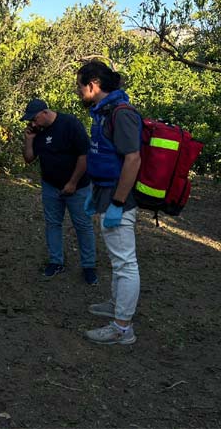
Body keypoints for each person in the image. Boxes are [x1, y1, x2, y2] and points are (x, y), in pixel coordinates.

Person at [76, 60, 142, 345]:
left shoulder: (121, 114)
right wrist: (95, 194)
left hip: (119, 199)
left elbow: (133, 159)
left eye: (80, 86)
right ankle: (117, 307)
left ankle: (122, 329)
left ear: (93, 85)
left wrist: (117, 202)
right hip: (105, 194)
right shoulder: (102, 112)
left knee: (126, 264)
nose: (78, 92)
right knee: (117, 260)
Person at [22, 98, 97, 284]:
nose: (32, 123)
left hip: (77, 187)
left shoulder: (70, 124)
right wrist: (29, 140)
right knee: (53, 223)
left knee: (83, 225)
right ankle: (56, 262)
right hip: (50, 186)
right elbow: (29, 158)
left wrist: (72, 183)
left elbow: (84, 155)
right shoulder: (37, 132)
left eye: (34, 119)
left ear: (45, 113)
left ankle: (89, 266)